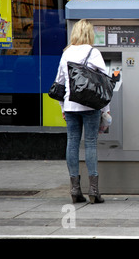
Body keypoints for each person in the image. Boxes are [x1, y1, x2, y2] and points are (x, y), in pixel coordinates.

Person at [54, 19, 109, 204]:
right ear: (90, 34)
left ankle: (75, 189)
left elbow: (59, 84)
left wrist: (63, 107)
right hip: (91, 106)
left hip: (70, 106)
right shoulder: (93, 52)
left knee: (72, 143)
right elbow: (104, 82)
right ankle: (94, 190)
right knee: (91, 143)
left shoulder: (66, 53)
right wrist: (105, 109)